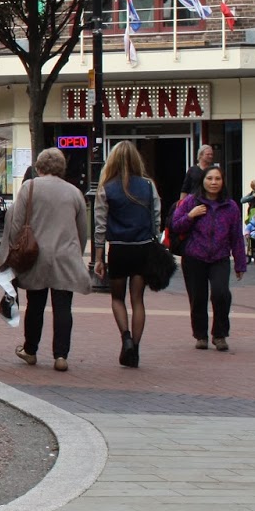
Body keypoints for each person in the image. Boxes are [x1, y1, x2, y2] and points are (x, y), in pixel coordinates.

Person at [0, 148, 90, 372]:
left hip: (34, 255)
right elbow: (82, 231)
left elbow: (16, 223)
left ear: (39, 167)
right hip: (65, 256)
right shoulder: (74, 192)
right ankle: (61, 356)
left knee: (35, 305)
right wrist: (77, 252)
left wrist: (13, 252)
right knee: (63, 306)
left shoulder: (29, 188)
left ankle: (30, 350)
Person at [92, 141, 164, 367]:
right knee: (138, 300)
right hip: (142, 246)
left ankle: (125, 338)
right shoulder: (148, 185)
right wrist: (156, 238)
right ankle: (137, 347)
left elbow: (100, 225)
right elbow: (156, 217)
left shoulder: (107, 188)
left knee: (117, 298)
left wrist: (99, 257)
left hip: (119, 248)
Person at [170, 163, 247, 351]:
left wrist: (240, 263)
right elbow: (175, 226)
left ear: (223, 182)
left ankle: (220, 334)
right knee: (198, 297)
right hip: (194, 256)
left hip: (219, 257)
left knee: (221, 293)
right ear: (203, 181)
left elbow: (237, 236)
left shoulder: (231, 207)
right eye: (210, 178)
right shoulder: (191, 201)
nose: (213, 182)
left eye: (217, 179)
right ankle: (201, 335)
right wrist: (190, 215)